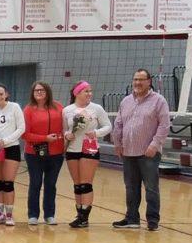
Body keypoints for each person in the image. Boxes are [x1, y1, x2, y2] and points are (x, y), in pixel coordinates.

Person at [112, 69, 170, 231]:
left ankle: (152, 220)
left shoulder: (159, 101)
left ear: (149, 81)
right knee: (131, 187)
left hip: (148, 153)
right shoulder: (126, 101)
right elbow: (118, 124)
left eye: (141, 79)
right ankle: (132, 218)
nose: (137, 82)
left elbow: (164, 126)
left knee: (151, 188)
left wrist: (154, 145)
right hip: (128, 151)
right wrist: (117, 143)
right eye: (135, 79)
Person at [63, 81, 112, 228]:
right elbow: (64, 129)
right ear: (76, 93)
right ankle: (79, 214)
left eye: (90, 91)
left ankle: (85, 216)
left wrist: (95, 133)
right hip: (72, 149)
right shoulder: (67, 110)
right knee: (77, 185)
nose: (89, 93)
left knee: (85, 184)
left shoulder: (96, 108)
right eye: (86, 91)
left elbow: (108, 126)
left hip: (89, 148)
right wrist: (67, 135)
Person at [23, 81, 65, 226]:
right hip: (34, 153)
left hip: (56, 153)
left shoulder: (59, 107)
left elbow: (66, 127)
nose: (39, 92)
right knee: (35, 183)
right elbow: (25, 134)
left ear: (47, 91)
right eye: (36, 90)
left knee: (51, 184)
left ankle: (49, 215)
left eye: (42, 90)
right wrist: (44, 139)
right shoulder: (28, 109)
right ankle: (33, 214)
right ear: (32, 93)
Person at [0, 84, 25, 226]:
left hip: (11, 148)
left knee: (8, 183)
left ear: (6, 94)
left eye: (1, 94)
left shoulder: (14, 107)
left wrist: (6, 141)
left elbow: (21, 128)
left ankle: (9, 215)